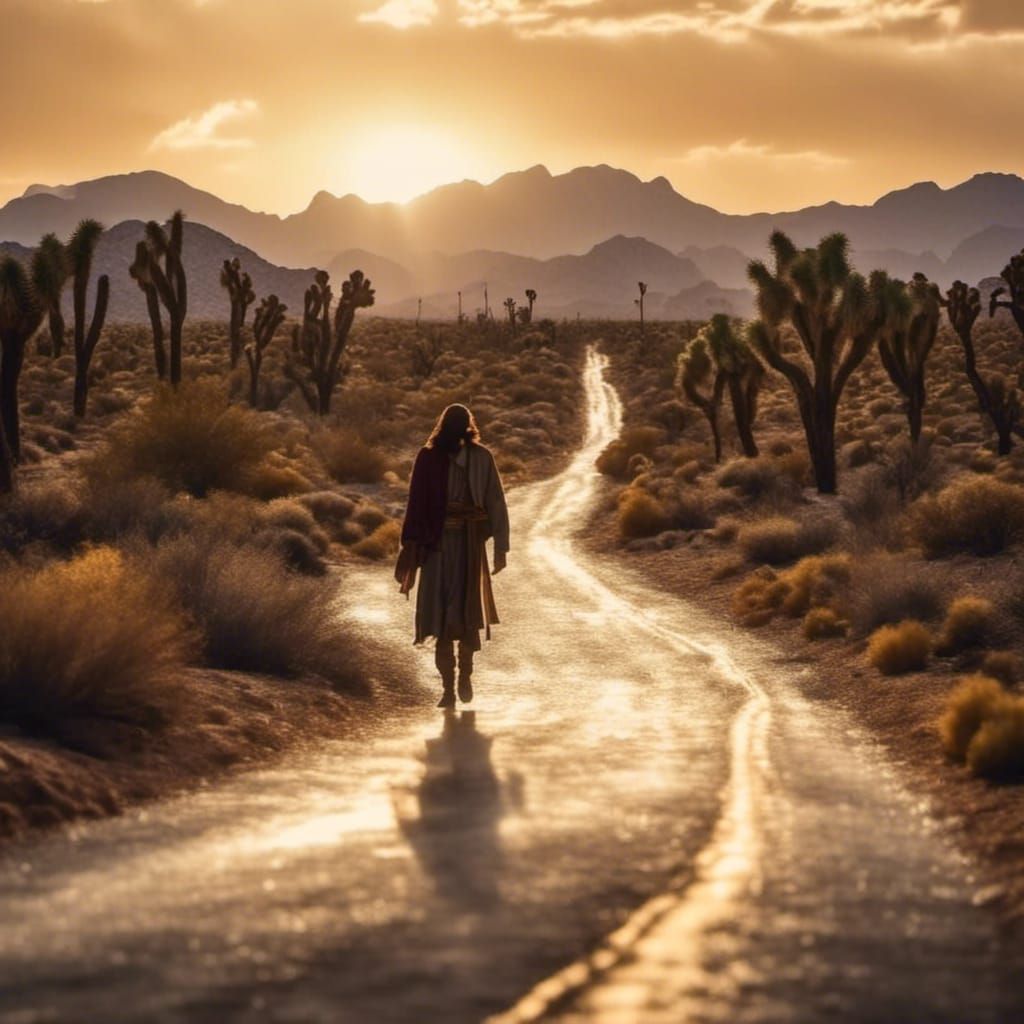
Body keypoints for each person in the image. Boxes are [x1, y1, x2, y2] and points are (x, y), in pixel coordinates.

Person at [395, 404, 510, 708]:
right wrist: (410, 544)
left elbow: (495, 502)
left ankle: (464, 675)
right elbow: (416, 503)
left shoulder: (481, 459)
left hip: (468, 546)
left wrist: (501, 545)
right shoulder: (428, 458)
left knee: (466, 614)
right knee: (441, 618)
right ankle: (448, 687)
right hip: (436, 547)